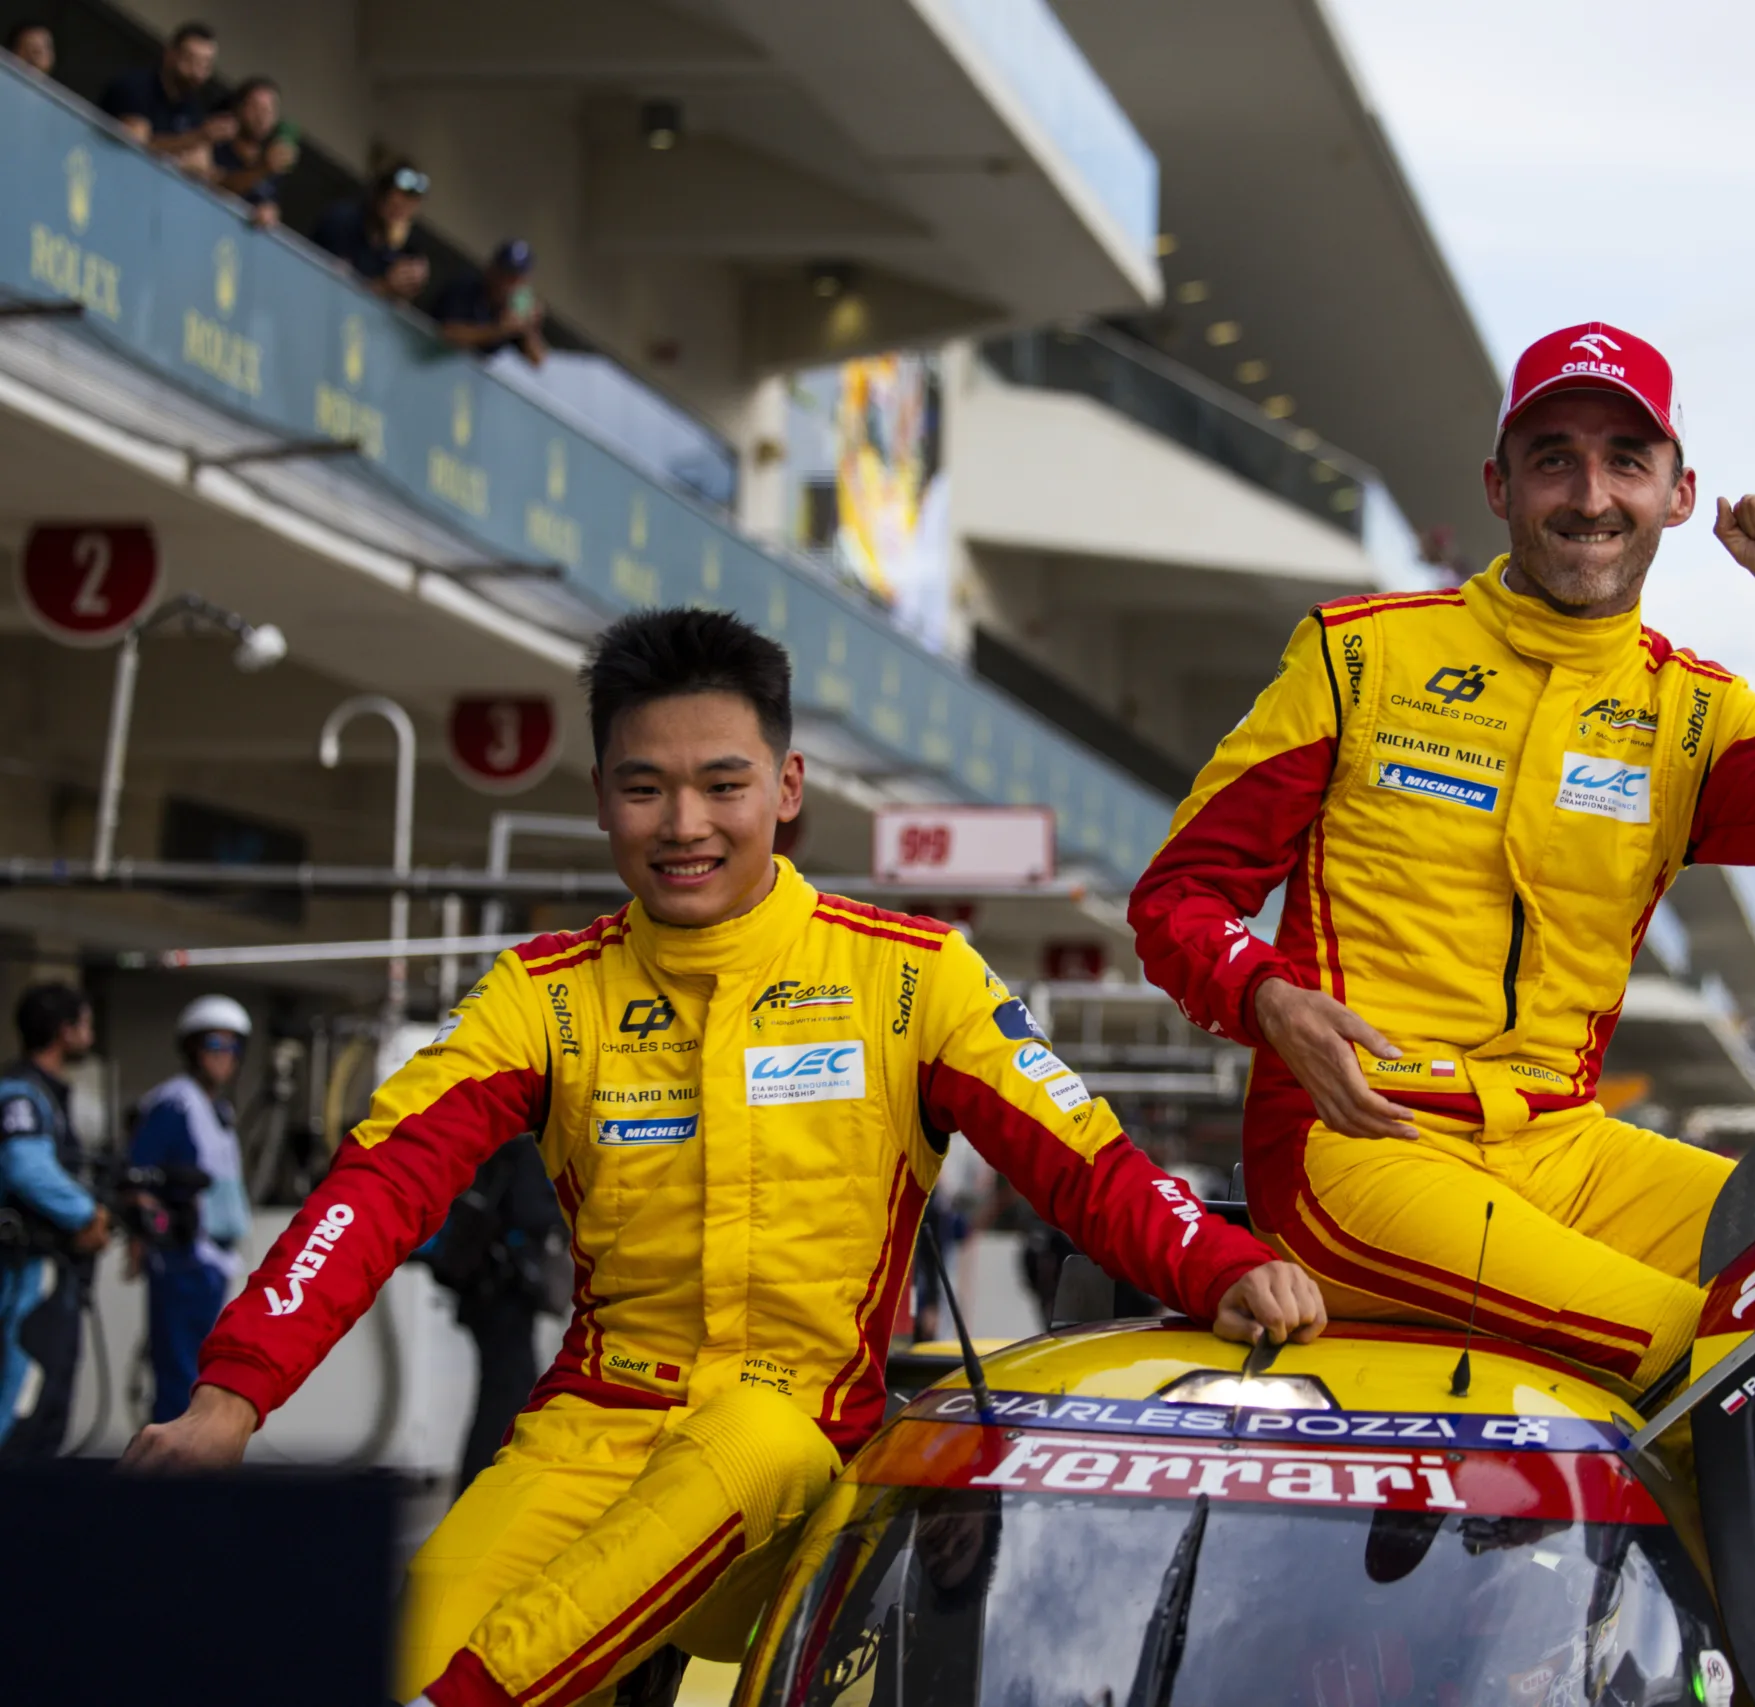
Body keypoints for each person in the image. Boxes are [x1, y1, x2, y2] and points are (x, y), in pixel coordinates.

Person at [125, 607, 1327, 1707]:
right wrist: (233, 1402)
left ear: (788, 787)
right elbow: (377, 1187)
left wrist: (1222, 1268)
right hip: (584, 1446)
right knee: (379, 1658)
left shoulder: (912, 979)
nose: (684, 825)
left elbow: (1088, 1165)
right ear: (601, 797)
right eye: (645, 789)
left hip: (798, 1487)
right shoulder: (541, 998)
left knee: (750, 1439)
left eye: (722, 784)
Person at [1130, 320, 1755, 1618]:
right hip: (1360, 1150)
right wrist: (1263, 993)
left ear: (1679, 492)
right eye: (1552, 459)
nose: (1589, 495)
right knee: (1719, 1354)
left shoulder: (1692, 715)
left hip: (1568, 1145)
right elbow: (1178, 897)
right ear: (1499, 486)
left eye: (1624, 459)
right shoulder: (1358, 655)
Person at [126, 994, 255, 1423]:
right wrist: (144, 1238)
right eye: (215, 1046)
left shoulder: (219, 1108)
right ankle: (168, 1485)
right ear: (193, 1049)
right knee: (177, 1379)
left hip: (213, 1260)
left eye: (233, 1047)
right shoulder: (173, 1103)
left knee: (204, 1375)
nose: (225, 1057)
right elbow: (137, 1176)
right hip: (181, 1259)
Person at [0, 983, 111, 1456]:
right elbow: (26, 1167)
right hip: (30, 1268)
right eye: (85, 1022)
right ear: (65, 1031)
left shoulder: (49, 1093)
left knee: (51, 1407)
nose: (90, 1032)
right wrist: (88, 1214)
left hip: (56, 1269)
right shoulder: (20, 1093)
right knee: (25, 1398)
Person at [424, 1132, 566, 1490]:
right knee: (508, 1394)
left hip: (482, 1289)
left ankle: (481, 1486)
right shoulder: (522, 1148)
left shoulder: (489, 1144)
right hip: (502, 1292)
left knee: (502, 1391)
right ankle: (481, 1488)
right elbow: (532, 1212)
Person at [98, 20, 231, 180]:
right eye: (189, 60)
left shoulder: (193, 108)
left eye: (205, 65)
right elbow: (135, 146)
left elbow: (200, 166)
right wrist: (196, 138)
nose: (197, 72)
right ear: (170, 54)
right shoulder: (136, 86)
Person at [311, 161, 432, 302]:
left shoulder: (400, 250)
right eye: (395, 207)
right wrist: (386, 285)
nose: (400, 214)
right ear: (381, 197)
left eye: (408, 209)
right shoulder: (345, 220)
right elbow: (335, 288)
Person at [432, 239, 548, 365]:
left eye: (516, 279)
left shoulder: (511, 309)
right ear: (493, 269)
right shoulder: (466, 287)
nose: (509, 284)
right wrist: (499, 330)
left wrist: (529, 328)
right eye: (506, 274)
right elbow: (448, 333)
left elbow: (537, 359)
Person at [211, 75, 297, 228]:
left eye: (269, 110)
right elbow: (218, 185)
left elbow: (269, 205)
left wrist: (271, 212)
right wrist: (262, 169)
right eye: (255, 107)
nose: (261, 117)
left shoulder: (273, 165)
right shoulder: (217, 144)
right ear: (239, 108)